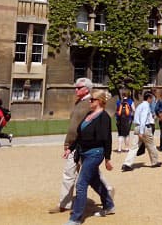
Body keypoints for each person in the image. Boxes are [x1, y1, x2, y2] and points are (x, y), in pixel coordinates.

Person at [50, 78, 113, 214]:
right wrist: (68, 144)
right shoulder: (80, 103)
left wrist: (106, 156)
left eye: (79, 88)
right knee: (70, 173)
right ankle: (64, 203)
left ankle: (106, 192)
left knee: (89, 175)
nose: (76, 90)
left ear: (87, 89)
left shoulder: (91, 105)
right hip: (74, 144)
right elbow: (75, 127)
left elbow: (98, 131)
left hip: (84, 146)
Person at [64, 90, 115, 225]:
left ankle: (75, 219)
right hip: (83, 152)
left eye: (92, 99)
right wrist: (70, 148)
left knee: (81, 184)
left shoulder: (104, 117)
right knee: (94, 181)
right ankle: (109, 205)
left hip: (95, 153)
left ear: (99, 101)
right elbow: (79, 135)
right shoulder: (89, 114)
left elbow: (107, 139)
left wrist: (107, 159)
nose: (90, 101)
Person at [121, 91, 161, 172]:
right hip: (144, 128)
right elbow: (143, 119)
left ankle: (127, 163)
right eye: (152, 98)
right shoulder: (146, 106)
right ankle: (155, 161)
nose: (152, 100)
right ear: (149, 98)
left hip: (137, 127)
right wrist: (141, 132)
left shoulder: (139, 105)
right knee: (151, 145)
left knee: (134, 147)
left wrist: (139, 131)